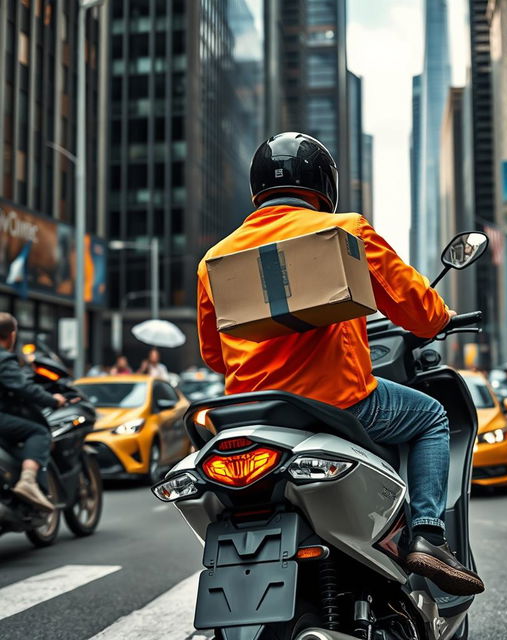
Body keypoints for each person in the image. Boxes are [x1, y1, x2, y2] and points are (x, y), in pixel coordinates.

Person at [196, 132, 484, 596]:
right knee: (432, 415)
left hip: (254, 415)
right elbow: (417, 311)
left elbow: (214, 354)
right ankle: (428, 534)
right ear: (322, 185)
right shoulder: (345, 229)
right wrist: (442, 316)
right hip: (339, 404)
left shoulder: (215, 258)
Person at [0, 313, 67, 511]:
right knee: (39, 432)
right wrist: (53, 400)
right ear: (12, 335)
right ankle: (28, 481)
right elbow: (24, 388)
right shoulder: (4, 358)